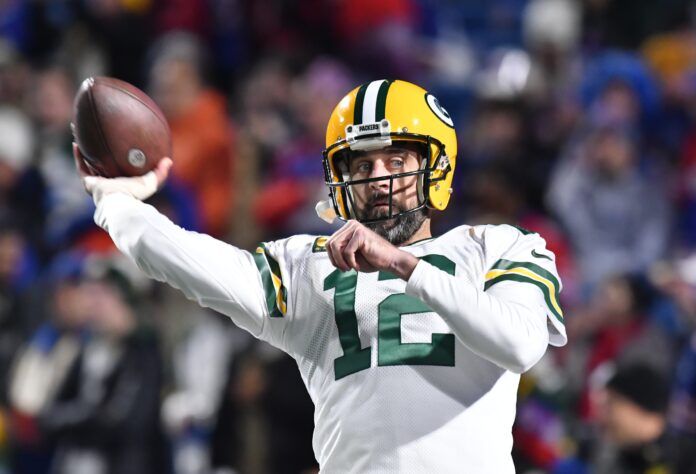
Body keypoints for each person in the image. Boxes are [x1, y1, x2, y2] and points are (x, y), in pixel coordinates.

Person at [74, 79, 567, 472]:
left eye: (396, 160)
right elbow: (193, 264)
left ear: (434, 168)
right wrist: (115, 202)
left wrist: (402, 264)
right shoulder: (310, 265)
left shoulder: (498, 246)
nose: (378, 178)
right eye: (362, 165)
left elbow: (520, 345)